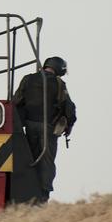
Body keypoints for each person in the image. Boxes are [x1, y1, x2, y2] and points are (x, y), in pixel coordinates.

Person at [12, 56, 76, 203]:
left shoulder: (28, 79)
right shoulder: (59, 83)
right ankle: (43, 196)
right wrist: (69, 125)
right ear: (59, 68)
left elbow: (16, 101)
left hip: (29, 126)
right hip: (48, 128)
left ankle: (27, 194)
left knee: (29, 159)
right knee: (46, 162)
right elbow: (69, 108)